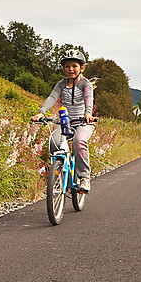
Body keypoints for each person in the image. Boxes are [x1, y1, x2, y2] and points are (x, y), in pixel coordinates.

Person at [31, 49, 95, 192]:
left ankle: (84, 177)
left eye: (74, 66)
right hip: (65, 122)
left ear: (82, 67)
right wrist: (41, 113)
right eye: (67, 66)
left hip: (83, 122)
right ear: (63, 68)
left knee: (79, 142)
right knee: (53, 143)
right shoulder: (61, 84)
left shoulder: (86, 84)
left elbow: (88, 98)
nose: (71, 69)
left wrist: (88, 113)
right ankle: (58, 172)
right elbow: (52, 98)